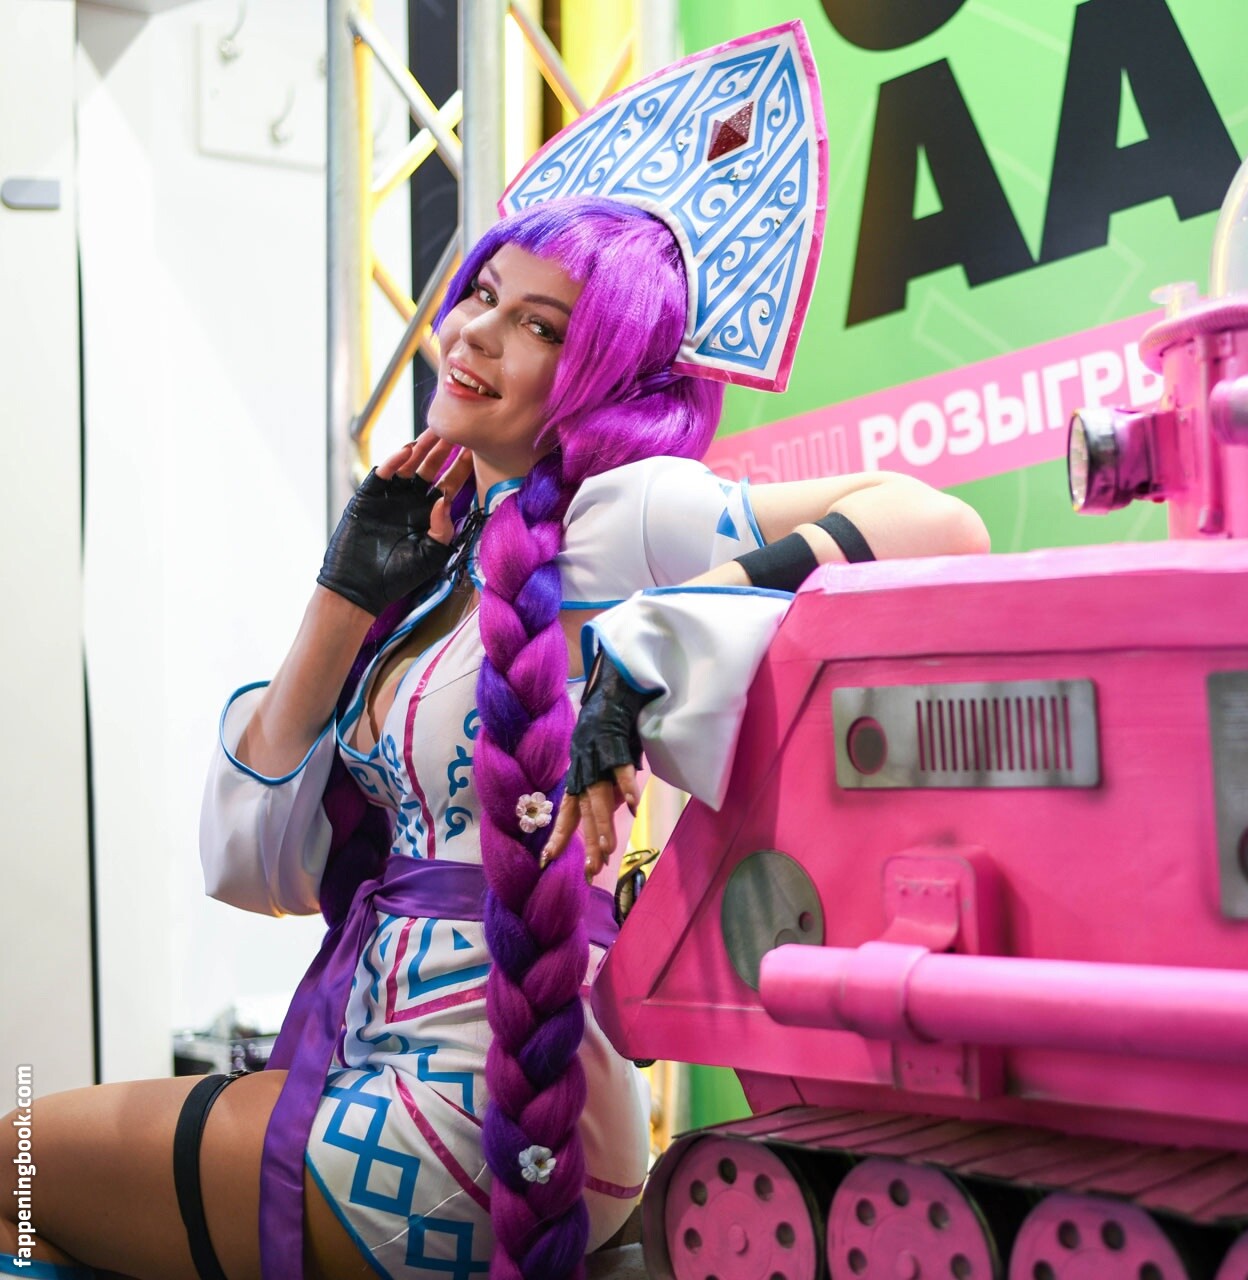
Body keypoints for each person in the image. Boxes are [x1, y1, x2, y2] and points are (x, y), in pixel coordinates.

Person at [7, 194, 988, 1279]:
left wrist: (654, 641)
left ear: (600, 376)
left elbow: (936, 524)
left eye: (539, 325)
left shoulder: (623, 513)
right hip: (384, 1067)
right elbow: (253, 867)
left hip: (483, 1117)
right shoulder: (444, 564)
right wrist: (343, 597)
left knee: (16, 1169)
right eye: (482, 294)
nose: (477, 331)